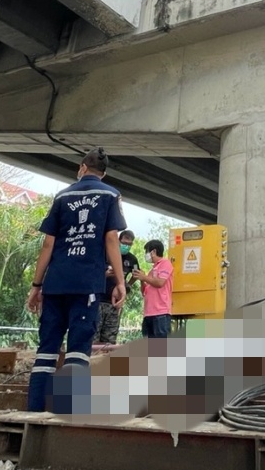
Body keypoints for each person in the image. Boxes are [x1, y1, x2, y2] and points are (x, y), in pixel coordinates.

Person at [25, 148, 127, 413]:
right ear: (103, 174)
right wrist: (120, 281)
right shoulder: (109, 195)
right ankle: (67, 411)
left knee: (46, 349)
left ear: (81, 168)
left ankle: (34, 411)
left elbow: (48, 243)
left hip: (56, 283)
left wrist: (37, 286)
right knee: (78, 351)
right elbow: (111, 239)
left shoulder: (63, 196)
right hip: (87, 285)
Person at [97, 230, 139, 345]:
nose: (126, 246)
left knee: (110, 338)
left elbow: (136, 274)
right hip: (99, 299)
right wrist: (104, 274)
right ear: (119, 241)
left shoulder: (132, 260)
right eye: (124, 243)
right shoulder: (105, 253)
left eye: (129, 244)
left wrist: (127, 285)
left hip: (114, 304)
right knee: (94, 336)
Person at [132, 239, 172, 339]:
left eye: (147, 252)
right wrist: (142, 279)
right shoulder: (152, 270)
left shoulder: (165, 264)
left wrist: (144, 277)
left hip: (160, 313)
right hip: (149, 313)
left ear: (153, 252)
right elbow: (144, 292)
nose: (146, 255)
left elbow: (160, 283)